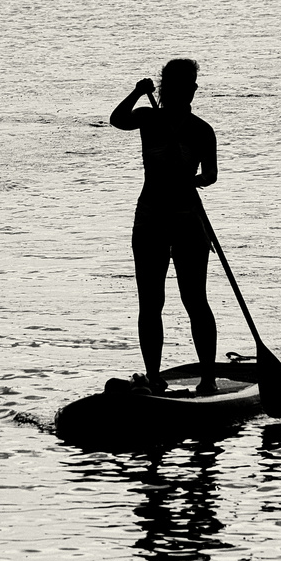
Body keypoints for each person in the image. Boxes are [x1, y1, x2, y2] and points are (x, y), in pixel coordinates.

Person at [109, 59, 219, 395]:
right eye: (177, 88)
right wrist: (137, 93)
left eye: (186, 88)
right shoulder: (149, 118)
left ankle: (208, 380)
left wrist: (190, 181)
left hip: (185, 222)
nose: (184, 93)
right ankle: (155, 376)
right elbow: (117, 120)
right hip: (151, 221)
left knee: (193, 300)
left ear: (192, 90)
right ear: (167, 89)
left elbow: (210, 176)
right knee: (152, 302)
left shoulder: (200, 130)